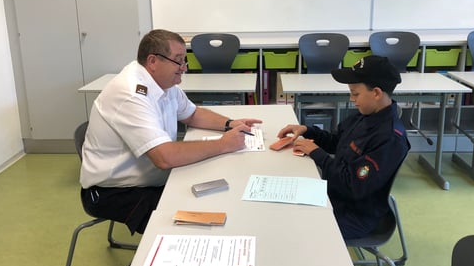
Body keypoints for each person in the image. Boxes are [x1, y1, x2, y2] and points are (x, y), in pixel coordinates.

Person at [80, 29, 262, 234]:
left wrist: (230, 123)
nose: (184, 68)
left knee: (211, 199)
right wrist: (223, 144)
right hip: (114, 192)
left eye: (184, 60)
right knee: (191, 226)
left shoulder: (163, 83)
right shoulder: (131, 94)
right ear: (153, 61)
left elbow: (192, 114)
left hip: (151, 178)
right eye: (178, 61)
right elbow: (164, 157)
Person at [277, 55, 411, 240]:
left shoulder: (389, 139)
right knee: (282, 205)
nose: (351, 98)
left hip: (355, 213)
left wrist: (317, 154)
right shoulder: (365, 115)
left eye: (355, 93)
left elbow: (353, 185)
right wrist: (307, 131)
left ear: (376, 93)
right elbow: (336, 141)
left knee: (292, 229)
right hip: (336, 193)